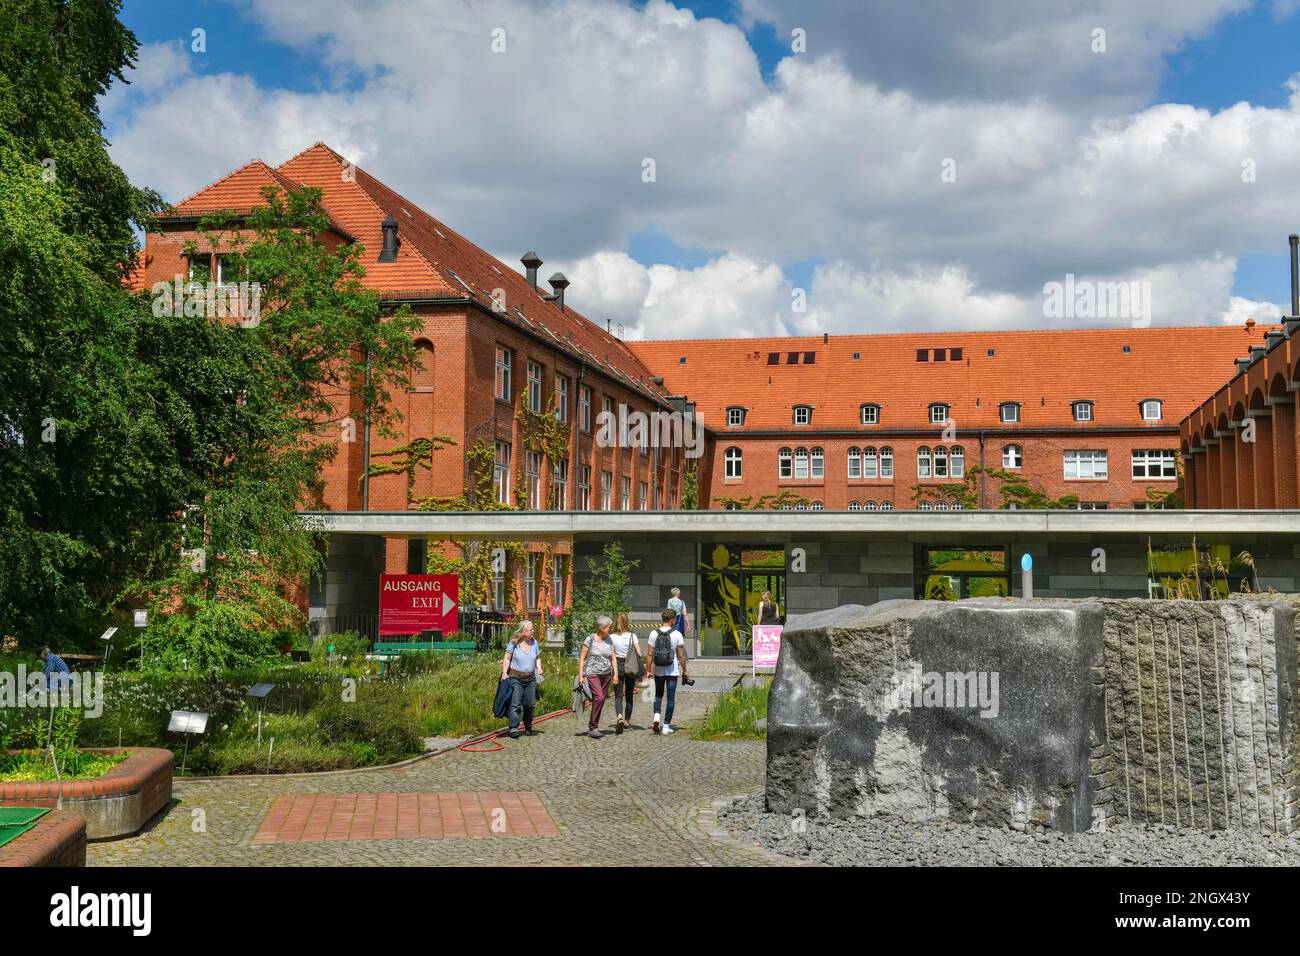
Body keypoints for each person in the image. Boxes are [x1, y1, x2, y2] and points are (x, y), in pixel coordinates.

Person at [647, 608, 688, 734]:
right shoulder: (677, 634)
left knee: (658, 694)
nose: (675, 621)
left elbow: (649, 654)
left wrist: (648, 670)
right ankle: (666, 726)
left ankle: (656, 717)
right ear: (671, 620)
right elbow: (681, 656)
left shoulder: (654, 633)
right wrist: (685, 670)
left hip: (658, 669)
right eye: (675, 619)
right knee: (670, 698)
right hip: (672, 670)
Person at [499, 621, 544, 739]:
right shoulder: (514, 643)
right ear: (523, 632)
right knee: (516, 703)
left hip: (530, 678)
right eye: (531, 629)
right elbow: (507, 658)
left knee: (530, 704)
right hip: (516, 677)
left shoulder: (535, 643)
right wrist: (504, 673)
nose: (533, 631)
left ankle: (528, 725)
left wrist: (539, 668)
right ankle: (513, 728)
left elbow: (538, 657)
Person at [577, 615, 616, 739]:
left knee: (601, 700)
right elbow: (582, 658)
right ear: (601, 628)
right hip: (592, 672)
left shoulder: (609, 639)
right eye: (608, 627)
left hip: (606, 674)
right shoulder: (590, 639)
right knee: (598, 698)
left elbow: (613, 658)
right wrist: (580, 675)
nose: (610, 629)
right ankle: (593, 727)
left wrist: (616, 674)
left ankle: (594, 727)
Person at [609, 613, 642, 734]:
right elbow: (639, 653)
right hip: (630, 666)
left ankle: (619, 717)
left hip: (617, 665)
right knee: (629, 695)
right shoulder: (632, 636)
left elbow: (610, 653)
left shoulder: (611, 637)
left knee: (618, 695)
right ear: (627, 622)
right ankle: (627, 721)